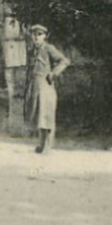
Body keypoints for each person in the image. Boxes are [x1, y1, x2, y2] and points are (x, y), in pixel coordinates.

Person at [24, 25, 69, 154]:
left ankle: (48, 146)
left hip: (46, 87)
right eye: (34, 34)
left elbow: (64, 61)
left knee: (47, 116)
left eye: (39, 34)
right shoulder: (33, 50)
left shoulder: (49, 48)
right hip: (35, 88)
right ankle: (41, 144)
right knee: (39, 116)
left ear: (45, 36)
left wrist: (53, 73)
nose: (36, 37)